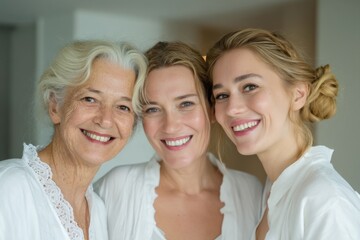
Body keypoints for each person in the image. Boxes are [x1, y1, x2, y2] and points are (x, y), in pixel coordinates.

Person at [95, 41, 263, 240]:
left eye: (185, 104)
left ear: (212, 109)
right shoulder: (117, 189)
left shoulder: (252, 192)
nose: (170, 126)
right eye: (153, 109)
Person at [206, 28, 360, 239]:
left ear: (298, 94)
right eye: (222, 95)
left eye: (250, 86)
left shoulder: (324, 200)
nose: (232, 108)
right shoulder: (269, 194)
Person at [0, 40, 147, 240]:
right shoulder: (9, 187)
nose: (105, 120)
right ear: (55, 106)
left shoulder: (99, 212)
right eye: (89, 99)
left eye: (123, 107)